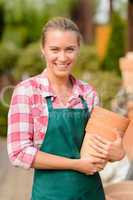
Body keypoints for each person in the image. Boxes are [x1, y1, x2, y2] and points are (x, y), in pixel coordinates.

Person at [7, 17, 125, 200]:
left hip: (90, 193)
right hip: (50, 195)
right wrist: (76, 164)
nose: (62, 57)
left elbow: (95, 148)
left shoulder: (88, 93)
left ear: (78, 50)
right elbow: (19, 153)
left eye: (70, 49)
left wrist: (116, 154)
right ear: (43, 50)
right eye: (55, 49)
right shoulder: (27, 92)